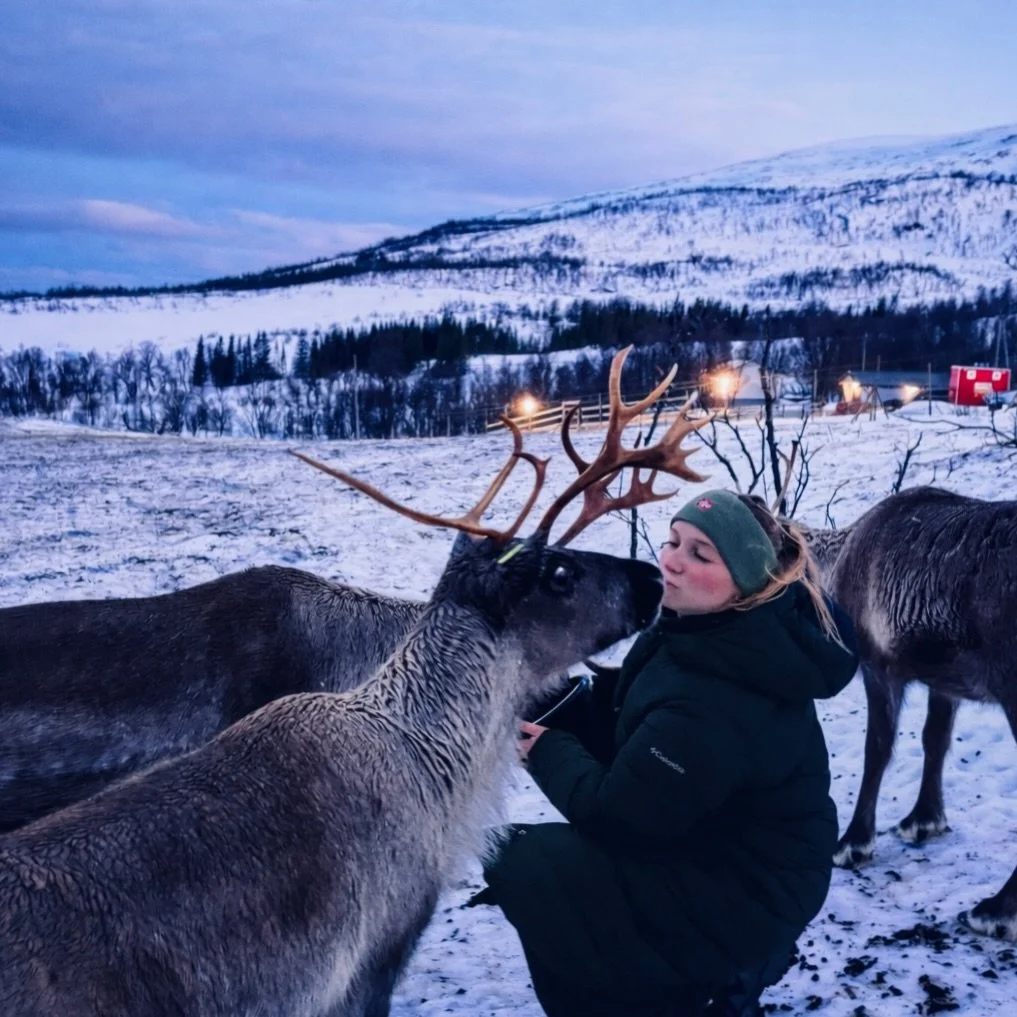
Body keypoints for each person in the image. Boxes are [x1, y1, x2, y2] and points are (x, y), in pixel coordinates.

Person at [473, 489, 859, 1017]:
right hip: (716, 842)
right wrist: (569, 706)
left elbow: (619, 814)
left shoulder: (721, 696)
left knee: (530, 865)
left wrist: (548, 749)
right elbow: (647, 726)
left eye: (700, 554)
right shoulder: (707, 629)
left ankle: (699, 989)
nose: (671, 560)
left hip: (748, 891)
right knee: (549, 883)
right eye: (674, 541)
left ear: (747, 580)